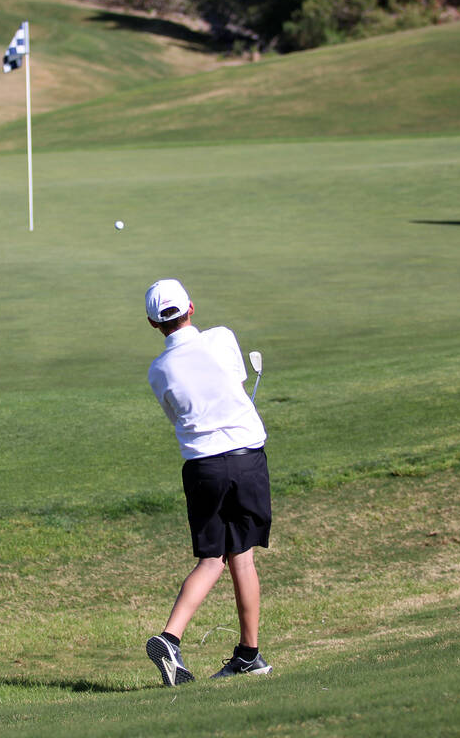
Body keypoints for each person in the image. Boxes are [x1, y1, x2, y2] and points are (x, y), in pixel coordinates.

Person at [142, 278, 273, 687]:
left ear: (153, 324)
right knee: (243, 556)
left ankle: (172, 637)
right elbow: (232, 386)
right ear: (191, 308)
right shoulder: (221, 338)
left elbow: (179, 417)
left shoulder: (158, 370)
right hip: (246, 458)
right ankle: (248, 654)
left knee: (213, 558)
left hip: (203, 469)